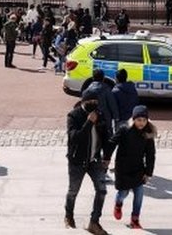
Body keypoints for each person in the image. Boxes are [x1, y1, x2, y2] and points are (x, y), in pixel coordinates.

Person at [65, 86, 112, 235]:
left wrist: (107, 157)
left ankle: (94, 222)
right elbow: (75, 138)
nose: (93, 103)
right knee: (73, 191)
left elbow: (106, 137)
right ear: (83, 101)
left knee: (102, 190)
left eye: (95, 101)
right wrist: (89, 122)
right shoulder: (74, 116)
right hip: (77, 161)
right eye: (90, 100)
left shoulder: (100, 114)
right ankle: (69, 216)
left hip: (94, 160)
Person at [105, 105, 156, 229]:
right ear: (133, 119)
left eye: (144, 120)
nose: (141, 123)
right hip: (123, 169)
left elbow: (150, 155)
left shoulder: (148, 134)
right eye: (139, 120)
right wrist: (106, 158)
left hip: (138, 169)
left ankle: (135, 219)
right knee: (123, 193)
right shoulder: (124, 130)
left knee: (139, 194)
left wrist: (148, 173)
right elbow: (112, 143)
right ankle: (118, 204)